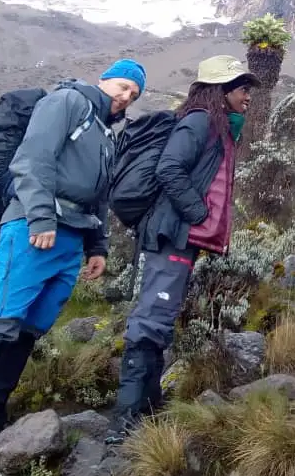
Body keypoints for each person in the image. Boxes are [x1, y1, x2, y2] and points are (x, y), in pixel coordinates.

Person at [0, 59, 146, 466]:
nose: (125, 97)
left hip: (71, 240)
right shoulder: (67, 102)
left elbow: (99, 196)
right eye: (122, 86)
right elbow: (32, 159)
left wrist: (98, 247)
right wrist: (39, 216)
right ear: (103, 79)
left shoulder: (108, 133)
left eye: (134, 94)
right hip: (35, 230)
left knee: (26, 332)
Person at [107, 55, 259, 440]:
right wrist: (197, 213)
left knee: (160, 318)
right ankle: (123, 423)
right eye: (242, 89)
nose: (248, 97)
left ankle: (147, 409)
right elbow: (169, 168)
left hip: (181, 239)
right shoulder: (199, 121)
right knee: (150, 321)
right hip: (172, 235)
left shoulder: (217, 126)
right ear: (221, 90)